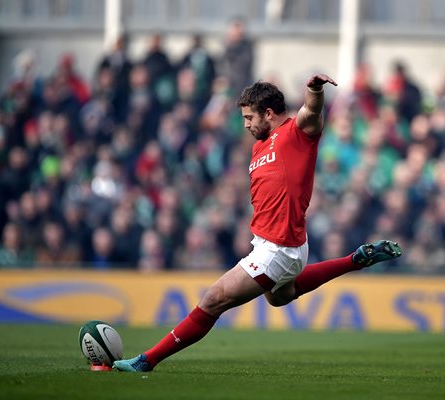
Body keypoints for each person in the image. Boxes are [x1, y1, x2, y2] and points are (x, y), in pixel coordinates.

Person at [113, 74, 402, 372]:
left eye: (250, 117)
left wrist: (314, 89)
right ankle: (353, 260)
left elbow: (311, 111)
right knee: (280, 298)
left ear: (269, 113)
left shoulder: (296, 133)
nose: (246, 124)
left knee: (213, 299)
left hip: (279, 248)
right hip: (273, 245)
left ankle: (148, 360)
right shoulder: (258, 147)